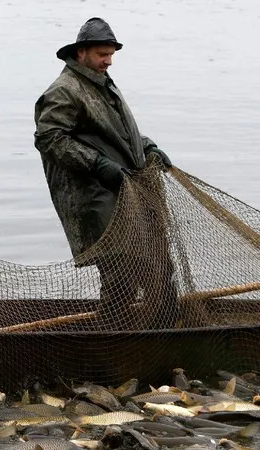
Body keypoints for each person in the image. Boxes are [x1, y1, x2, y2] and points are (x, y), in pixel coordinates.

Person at [33, 18, 177, 329]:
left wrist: (148, 146)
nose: (108, 61)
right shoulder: (64, 90)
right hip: (96, 197)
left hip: (128, 191)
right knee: (121, 272)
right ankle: (111, 339)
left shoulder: (103, 82)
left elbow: (117, 134)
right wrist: (98, 164)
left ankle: (160, 332)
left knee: (159, 267)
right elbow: (49, 139)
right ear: (81, 52)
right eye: (102, 54)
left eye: (111, 54)